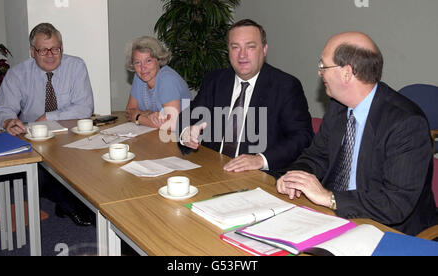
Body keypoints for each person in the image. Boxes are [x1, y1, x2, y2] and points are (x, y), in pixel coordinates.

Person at [276, 31, 438, 236]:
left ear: (346, 73)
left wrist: (329, 198)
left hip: (387, 230)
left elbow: (394, 204)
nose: (320, 73)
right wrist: (296, 176)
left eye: (323, 66)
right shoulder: (338, 107)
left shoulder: (406, 123)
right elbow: (317, 156)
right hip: (334, 216)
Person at [178, 19, 313, 175]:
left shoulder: (285, 86)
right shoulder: (215, 80)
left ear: (264, 50)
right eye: (235, 47)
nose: (242, 55)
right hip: (212, 169)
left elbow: (302, 137)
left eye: (250, 47)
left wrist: (260, 159)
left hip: (258, 177)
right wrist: (186, 133)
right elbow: (186, 117)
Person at [0, 23, 95, 226]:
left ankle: (72, 201)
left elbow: (85, 107)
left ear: (61, 48)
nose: (50, 55)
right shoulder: (18, 74)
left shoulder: (76, 66)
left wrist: (49, 117)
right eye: (43, 50)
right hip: (35, 140)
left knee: (91, 165)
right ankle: (69, 204)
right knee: (43, 172)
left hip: (71, 135)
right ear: (32, 51)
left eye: (55, 49)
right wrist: (9, 120)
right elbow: (1, 108)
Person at [125, 36, 191, 131]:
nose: (143, 68)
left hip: (185, 136)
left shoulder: (167, 79)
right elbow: (129, 111)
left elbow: (173, 124)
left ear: (159, 60)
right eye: (137, 62)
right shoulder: (139, 77)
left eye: (148, 61)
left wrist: (138, 118)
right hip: (157, 134)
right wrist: (148, 114)